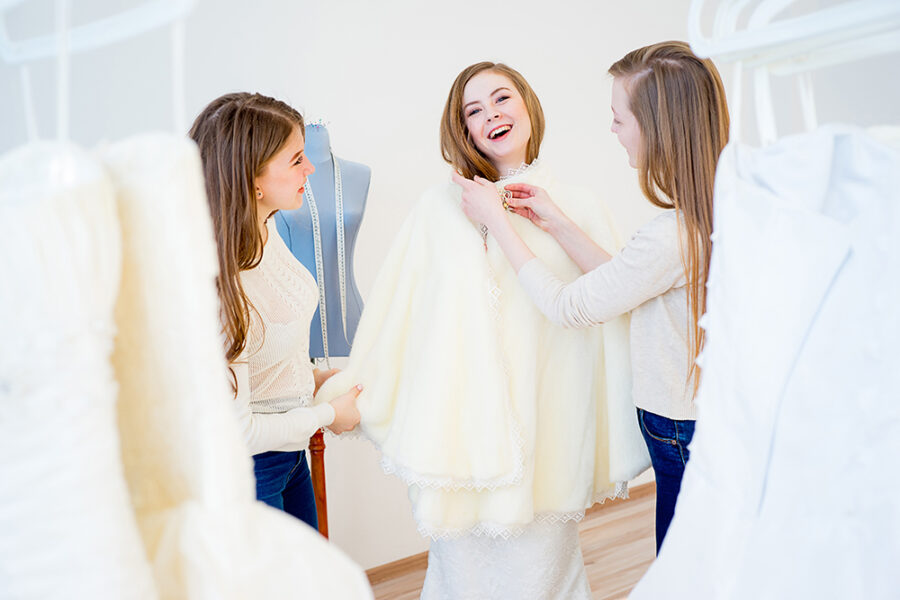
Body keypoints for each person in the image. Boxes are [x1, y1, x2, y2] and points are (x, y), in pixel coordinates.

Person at [315, 62, 647, 599]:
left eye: (501, 99)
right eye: (474, 110)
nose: (491, 115)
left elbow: (614, 302)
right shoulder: (437, 210)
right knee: (462, 575)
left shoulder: (576, 206)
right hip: (461, 432)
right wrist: (357, 384)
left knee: (543, 573)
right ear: (463, 130)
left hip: (549, 428)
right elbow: (400, 310)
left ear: (527, 104)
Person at [456, 41, 730, 553]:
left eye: (618, 118)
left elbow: (571, 306)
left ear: (656, 129)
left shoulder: (673, 234)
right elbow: (628, 283)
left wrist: (498, 222)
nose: (612, 130)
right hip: (699, 420)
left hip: (682, 428)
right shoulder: (715, 210)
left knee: (685, 565)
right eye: (475, 109)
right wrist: (556, 223)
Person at [188, 92, 362, 529]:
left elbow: (270, 341)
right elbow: (240, 431)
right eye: (297, 159)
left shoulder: (265, 230)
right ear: (254, 177)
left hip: (288, 455)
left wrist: (314, 376)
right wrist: (328, 414)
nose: (311, 169)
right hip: (250, 471)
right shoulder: (216, 282)